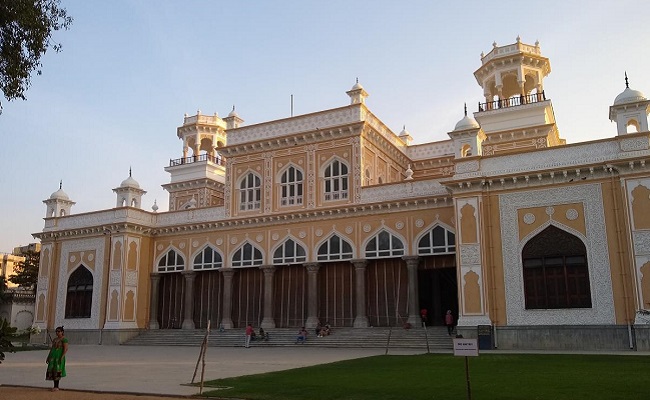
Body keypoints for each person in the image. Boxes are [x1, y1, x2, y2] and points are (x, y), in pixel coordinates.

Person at [46, 326, 68, 392]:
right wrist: (48, 356)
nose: (57, 333)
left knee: (57, 370)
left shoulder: (64, 340)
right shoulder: (55, 339)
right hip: (53, 356)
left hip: (59, 357)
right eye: (56, 331)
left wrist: (62, 357)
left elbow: (65, 349)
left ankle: (56, 386)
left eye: (59, 331)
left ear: (62, 332)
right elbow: (52, 348)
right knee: (52, 370)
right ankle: (54, 386)